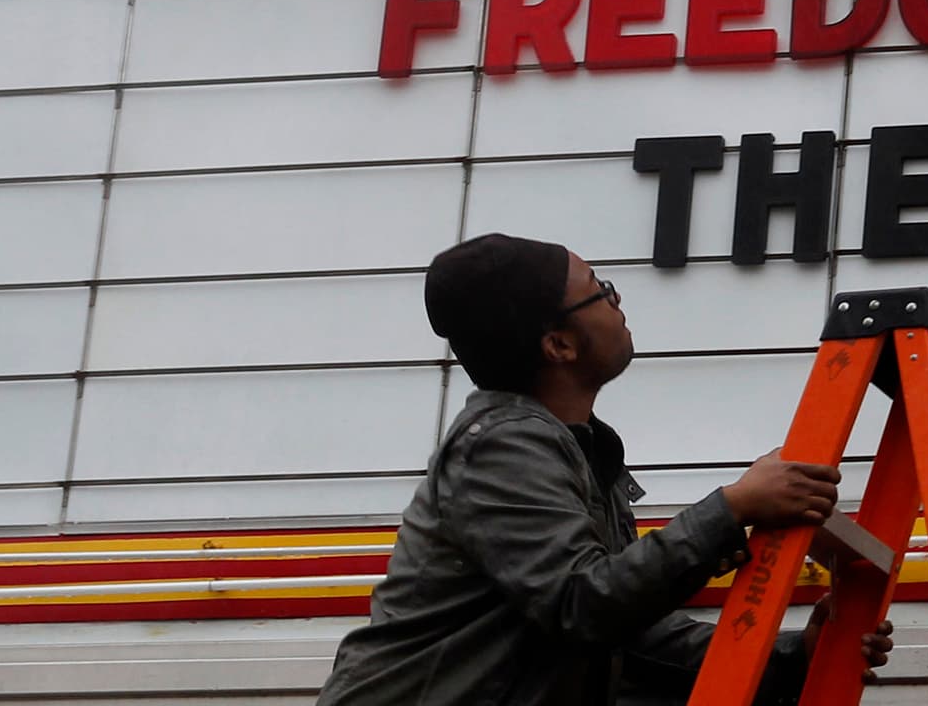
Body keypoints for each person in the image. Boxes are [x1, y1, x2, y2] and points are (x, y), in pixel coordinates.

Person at [316, 234, 891, 703]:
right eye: (601, 292)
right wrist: (734, 507)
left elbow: (633, 635)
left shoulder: (577, 449)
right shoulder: (502, 448)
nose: (618, 303)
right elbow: (584, 604)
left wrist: (792, 657)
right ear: (559, 345)